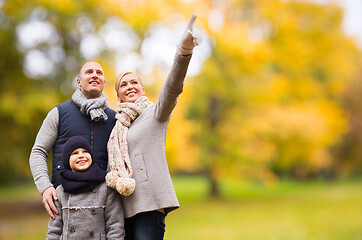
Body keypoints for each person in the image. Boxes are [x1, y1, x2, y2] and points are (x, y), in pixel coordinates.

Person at [106, 14, 200, 239]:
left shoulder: (155, 113)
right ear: (117, 94)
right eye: (123, 84)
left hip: (149, 205)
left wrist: (183, 51)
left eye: (134, 82)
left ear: (142, 89)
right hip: (121, 209)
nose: (129, 87)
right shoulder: (116, 124)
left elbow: (172, 87)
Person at [29, 61, 116, 220]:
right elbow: (38, 151)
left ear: (104, 82)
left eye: (99, 72)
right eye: (89, 72)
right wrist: (45, 187)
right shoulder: (59, 113)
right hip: (65, 202)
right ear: (79, 81)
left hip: (104, 204)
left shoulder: (114, 119)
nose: (94, 75)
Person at [46, 136, 124, 239]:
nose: (81, 156)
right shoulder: (61, 191)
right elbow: (54, 230)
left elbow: (115, 225)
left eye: (85, 151)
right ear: (67, 160)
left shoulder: (105, 187)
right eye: (75, 153)